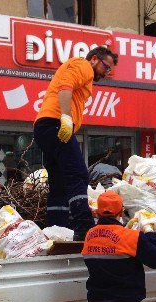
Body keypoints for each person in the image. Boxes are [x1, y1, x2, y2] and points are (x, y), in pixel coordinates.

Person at [34, 46, 118, 241]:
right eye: (106, 68)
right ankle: (84, 227)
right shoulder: (84, 66)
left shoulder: (82, 69)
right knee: (78, 174)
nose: (106, 74)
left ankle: (57, 227)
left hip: (45, 127)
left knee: (59, 181)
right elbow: (65, 87)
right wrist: (65, 118)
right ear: (95, 59)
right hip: (55, 124)